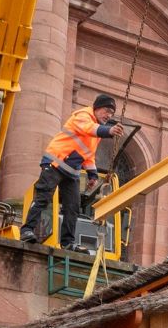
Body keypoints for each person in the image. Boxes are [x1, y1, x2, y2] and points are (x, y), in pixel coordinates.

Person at [18, 94, 127, 248]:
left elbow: (88, 155)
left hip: (71, 171)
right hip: (56, 163)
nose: (109, 115)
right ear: (96, 108)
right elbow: (89, 128)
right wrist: (108, 131)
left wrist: (92, 175)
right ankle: (27, 230)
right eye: (107, 110)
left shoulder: (95, 131)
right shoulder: (83, 116)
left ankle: (67, 242)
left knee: (73, 207)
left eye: (112, 113)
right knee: (43, 197)